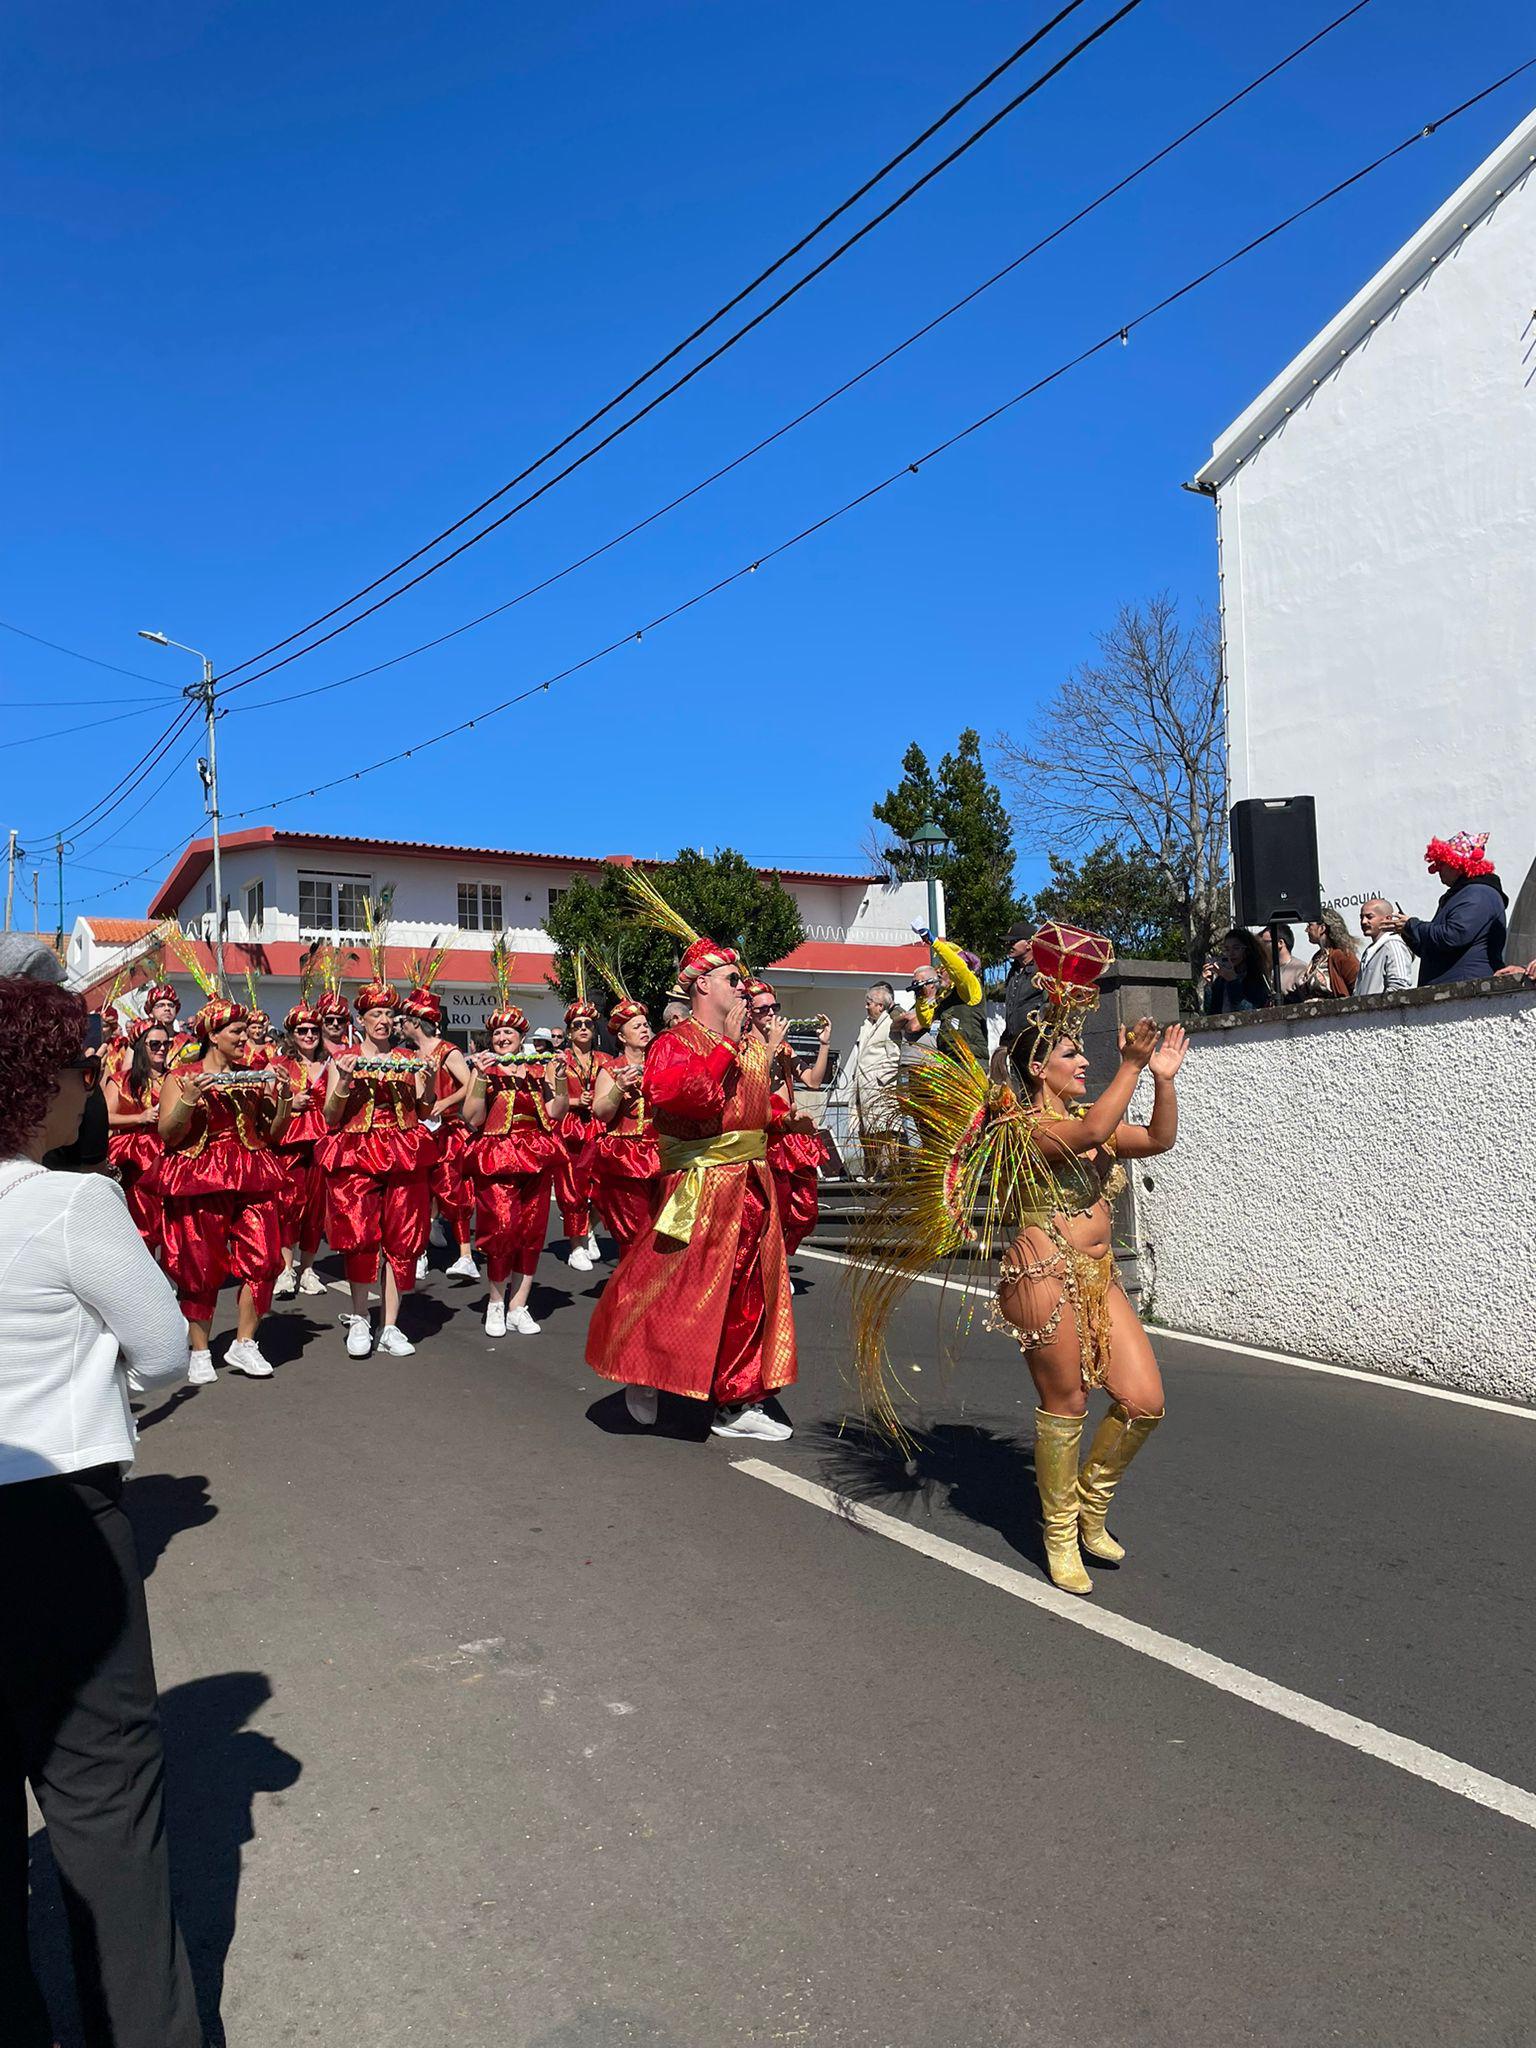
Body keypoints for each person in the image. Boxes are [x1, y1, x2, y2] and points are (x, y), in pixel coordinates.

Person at [850, 933, 1187, 1598]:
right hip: (1041, 1278)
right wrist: (1131, 1065)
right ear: (1039, 1070)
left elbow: (1156, 1139)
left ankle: (1091, 1506)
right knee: (1067, 1403)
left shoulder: (1091, 1112)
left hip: (1097, 1278)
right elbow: (1090, 1137)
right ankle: (1059, 1535)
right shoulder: (1026, 1128)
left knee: (1145, 1402)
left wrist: (1162, 1080)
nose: (1083, 1062)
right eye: (1070, 1054)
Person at [0, 974, 204, 2048]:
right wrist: (105, 1390)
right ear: (34, 1087)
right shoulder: (71, 1200)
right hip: (52, 1522)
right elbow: (165, 1346)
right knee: (104, 1804)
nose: (92, 1084)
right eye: (79, 1065)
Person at [585, 878, 797, 1441]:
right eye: (733, 980)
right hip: (699, 1186)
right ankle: (641, 1370)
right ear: (703, 984)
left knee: (747, 1291)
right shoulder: (674, 1042)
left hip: (751, 1184)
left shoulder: (751, 1043)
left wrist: (784, 1109)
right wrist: (728, 1047)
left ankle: (736, 1400)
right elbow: (684, 1097)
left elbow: (755, 1110)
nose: (744, 990)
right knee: (666, 1283)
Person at [152, 994, 291, 1383]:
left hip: (251, 1170)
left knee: (265, 1259)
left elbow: (272, 1133)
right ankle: (199, 1350)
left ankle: (244, 1343)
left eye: (246, 1031)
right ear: (214, 1036)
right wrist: (189, 1100)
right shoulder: (181, 1076)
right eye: (236, 1031)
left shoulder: (253, 1075)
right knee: (199, 1266)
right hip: (200, 1173)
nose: (245, 1038)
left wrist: (281, 1099)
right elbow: (167, 1133)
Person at [318, 980, 436, 1359]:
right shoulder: (343, 1059)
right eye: (376, 1014)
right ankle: (359, 1317)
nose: (383, 1021)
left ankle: (390, 1326)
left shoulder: (407, 1060)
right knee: (360, 1238)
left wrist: (429, 1078)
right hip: (357, 1151)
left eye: (389, 1014)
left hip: (403, 1149)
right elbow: (330, 1115)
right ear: (362, 1019)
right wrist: (346, 1082)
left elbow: (424, 1109)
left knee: (402, 1240)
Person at [463, 1004, 567, 1336]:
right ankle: (495, 1302)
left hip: (535, 1154)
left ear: (521, 1036)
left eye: (509, 1032)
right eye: (497, 1033)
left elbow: (556, 1111)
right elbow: (473, 1118)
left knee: (533, 1232)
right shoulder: (486, 1070)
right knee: (502, 1229)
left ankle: (518, 1304)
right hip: (497, 1156)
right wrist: (479, 1077)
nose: (503, 1037)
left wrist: (561, 1078)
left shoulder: (538, 1071)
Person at [399, 983, 479, 1281]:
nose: (400, 1025)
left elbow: (470, 1082)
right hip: (419, 1131)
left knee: (451, 1188)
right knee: (417, 1192)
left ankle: (465, 1255)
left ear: (416, 1022)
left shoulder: (447, 1051)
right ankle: (419, 1253)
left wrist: (445, 1101)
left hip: (447, 1130)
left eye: (404, 1020)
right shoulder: (408, 1054)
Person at [746, 979, 831, 1257]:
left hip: (791, 1134)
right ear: (749, 1013)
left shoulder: (784, 1047)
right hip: (766, 1135)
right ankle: (771, 1265)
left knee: (805, 1210)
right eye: (763, 1009)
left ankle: (778, 1258)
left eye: (774, 1007)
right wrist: (770, 1045)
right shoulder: (744, 1047)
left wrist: (824, 1044)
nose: (771, 1013)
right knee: (774, 1208)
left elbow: (813, 1081)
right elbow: (753, 1083)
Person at [590, 991, 662, 1253]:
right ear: (621, 1036)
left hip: (662, 1154)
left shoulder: (662, 1064)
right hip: (627, 1159)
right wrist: (619, 1088)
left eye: (646, 1025)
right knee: (634, 1233)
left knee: (663, 1231)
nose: (644, 1029)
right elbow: (601, 1112)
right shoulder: (611, 1069)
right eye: (637, 1026)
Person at [270, 997, 332, 1299]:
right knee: (288, 1206)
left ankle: (308, 1269)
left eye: (313, 1031)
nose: (309, 1035)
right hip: (290, 1144)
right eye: (302, 1030)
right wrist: (288, 1103)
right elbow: (265, 1103)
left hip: (322, 1144)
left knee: (316, 1210)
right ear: (292, 1034)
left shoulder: (330, 1064)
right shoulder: (279, 1065)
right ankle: (285, 1269)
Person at [1389, 832, 1508, 983]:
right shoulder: (1462, 894)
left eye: (1442, 863)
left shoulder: (1478, 893)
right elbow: (1434, 949)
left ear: (1457, 864)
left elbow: (1453, 936)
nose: (1437, 869)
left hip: (1466, 990)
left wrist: (1412, 925)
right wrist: (1406, 931)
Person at [104, 1019, 173, 1255]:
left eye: (167, 1043)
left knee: (173, 1228)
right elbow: (104, 1117)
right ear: (141, 1046)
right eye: (155, 1044)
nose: (162, 1049)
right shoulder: (121, 1080)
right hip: (134, 1160)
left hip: (170, 1160)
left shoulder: (175, 1079)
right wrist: (139, 1118)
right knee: (141, 1227)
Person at [554, 985, 603, 1271]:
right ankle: (576, 1246)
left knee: (602, 1186)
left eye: (588, 1024)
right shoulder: (558, 1060)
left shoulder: (606, 1060)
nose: (583, 1028)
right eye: (577, 1025)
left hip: (598, 1128)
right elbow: (549, 1094)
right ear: (569, 1033)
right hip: (570, 1129)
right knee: (571, 1190)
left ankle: (588, 1228)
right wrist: (575, 1100)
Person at [849, 981, 900, 1180]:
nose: (866, 1006)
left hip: (880, 1090)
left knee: (885, 1134)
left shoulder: (889, 1025)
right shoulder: (866, 1026)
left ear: (880, 1005)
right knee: (866, 1133)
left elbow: (895, 1057)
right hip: (862, 1090)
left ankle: (887, 1175)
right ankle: (871, 1172)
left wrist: (878, 1078)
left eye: (869, 1002)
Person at [1354, 900, 1417, 997]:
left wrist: (1376, 1009)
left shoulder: (1394, 944)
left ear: (1388, 918)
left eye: (1369, 917)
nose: (1363, 921)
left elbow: (1399, 987)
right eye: (1361, 917)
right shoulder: (1370, 950)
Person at [1201, 929, 1272, 1013]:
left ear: (1247, 950)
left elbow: (1249, 1012)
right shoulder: (1221, 980)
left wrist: (1233, 981)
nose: (1231, 953)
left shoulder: (1257, 978)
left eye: (1236, 948)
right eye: (1227, 949)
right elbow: (1211, 1013)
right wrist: (1209, 986)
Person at [1296, 910, 1360, 998]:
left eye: (1310, 925)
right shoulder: (1317, 957)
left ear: (1322, 928)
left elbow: (1358, 985)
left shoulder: (1341, 955)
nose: (1306, 930)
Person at [1001, 921, 1036, 1056]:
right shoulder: (1013, 972)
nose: (1008, 945)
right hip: (1014, 1045)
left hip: (1035, 1044)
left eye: (1013, 941)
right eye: (1007, 942)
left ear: (1029, 944)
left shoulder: (1043, 971)